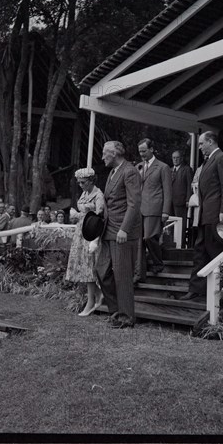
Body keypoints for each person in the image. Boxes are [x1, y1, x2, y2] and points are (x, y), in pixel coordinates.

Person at [179, 131, 223, 301]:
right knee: (199, 252)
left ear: (210, 142)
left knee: (216, 252)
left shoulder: (221, 158)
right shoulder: (209, 160)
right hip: (204, 216)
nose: (199, 147)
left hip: (215, 215)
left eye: (201, 143)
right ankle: (195, 289)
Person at [95, 141, 141, 329]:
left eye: (105, 154)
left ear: (114, 154)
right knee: (101, 271)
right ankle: (116, 311)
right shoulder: (112, 173)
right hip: (108, 230)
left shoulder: (129, 171)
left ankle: (126, 317)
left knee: (122, 275)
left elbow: (134, 203)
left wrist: (125, 229)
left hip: (122, 232)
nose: (102, 157)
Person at [65, 167, 105, 317]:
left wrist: (95, 239)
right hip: (80, 234)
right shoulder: (85, 193)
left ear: (91, 181)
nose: (80, 185)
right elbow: (83, 213)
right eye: (79, 182)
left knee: (89, 269)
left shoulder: (98, 195)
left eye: (83, 182)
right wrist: (76, 215)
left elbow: (98, 218)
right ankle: (98, 294)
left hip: (91, 235)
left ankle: (91, 302)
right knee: (84, 268)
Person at [136, 138, 172, 280]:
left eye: (144, 151)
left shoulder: (163, 167)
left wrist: (165, 211)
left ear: (151, 149)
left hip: (154, 208)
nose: (142, 154)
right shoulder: (138, 167)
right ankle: (140, 272)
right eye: (140, 152)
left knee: (149, 237)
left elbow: (168, 191)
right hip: (139, 209)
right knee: (139, 241)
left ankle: (158, 262)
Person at [171, 150, 193, 248]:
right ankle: (172, 244)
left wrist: (188, 199)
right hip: (170, 202)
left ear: (181, 158)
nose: (175, 160)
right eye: (174, 158)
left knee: (181, 224)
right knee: (170, 224)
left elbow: (189, 185)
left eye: (177, 157)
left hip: (181, 201)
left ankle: (181, 245)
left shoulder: (187, 169)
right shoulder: (170, 170)